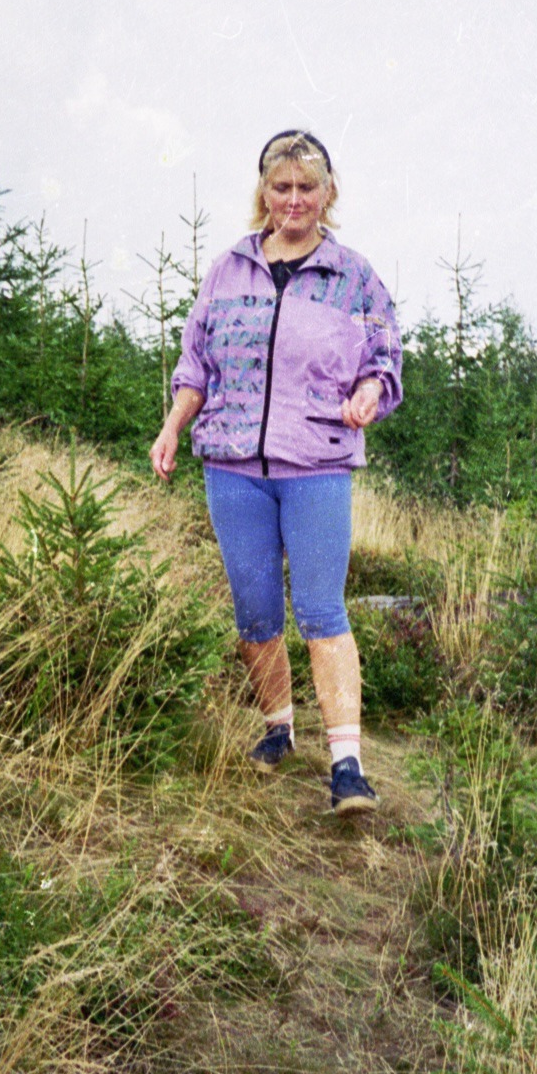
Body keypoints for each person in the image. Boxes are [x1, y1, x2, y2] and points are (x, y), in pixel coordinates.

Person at [150, 130, 402, 814]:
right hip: (232, 467)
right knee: (255, 611)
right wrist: (173, 427)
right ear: (264, 192)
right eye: (281, 187)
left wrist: (371, 393)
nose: (294, 200)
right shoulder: (228, 271)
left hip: (316, 464)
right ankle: (278, 731)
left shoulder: (354, 276)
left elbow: (384, 357)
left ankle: (347, 766)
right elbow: (196, 366)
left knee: (322, 611)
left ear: (328, 194)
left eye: (307, 188)